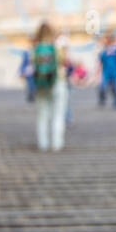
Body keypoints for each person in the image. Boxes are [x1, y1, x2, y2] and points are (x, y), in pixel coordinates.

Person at [32, 22, 68, 151]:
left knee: (42, 114)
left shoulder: (35, 48)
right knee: (58, 113)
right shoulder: (56, 47)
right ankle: (57, 143)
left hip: (41, 84)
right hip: (57, 82)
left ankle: (43, 143)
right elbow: (63, 61)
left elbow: (32, 66)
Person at [98, 33, 116, 107]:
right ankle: (102, 99)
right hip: (106, 71)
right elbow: (101, 60)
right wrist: (98, 69)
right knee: (102, 86)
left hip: (115, 71)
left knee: (115, 86)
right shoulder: (104, 50)